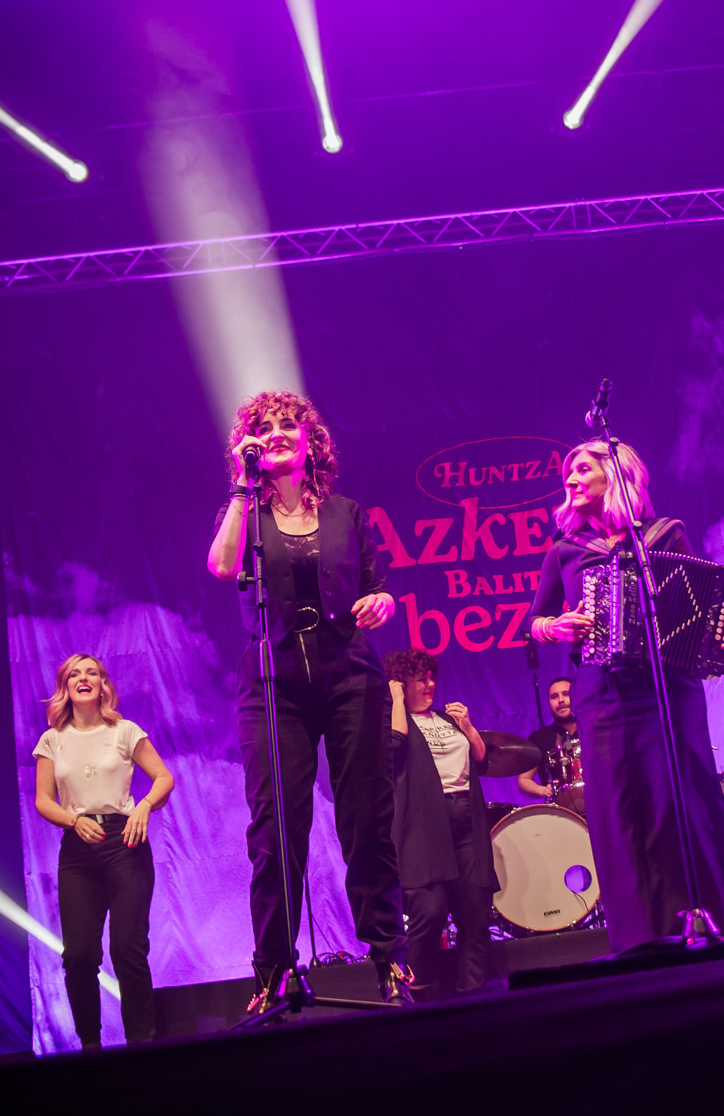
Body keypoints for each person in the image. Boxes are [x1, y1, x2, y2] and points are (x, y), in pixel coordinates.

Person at [206, 390, 411, 1009]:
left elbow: (378, 588)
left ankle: (389, 959)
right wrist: (242, 489)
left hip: (350, 675)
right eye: (263, 426)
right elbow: (222, 567)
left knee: (366, 822)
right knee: (275, 830)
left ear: (309, 440)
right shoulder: (245, 513)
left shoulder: (348, 513)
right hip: (273, 682)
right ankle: (272, 970)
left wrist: (381, 603)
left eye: (287, 424)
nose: (275, 432)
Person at [526, 438, 724, 949]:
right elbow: (533, 621)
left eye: (582, 468)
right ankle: (641, 938)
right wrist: (554, 627)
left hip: (669, 688)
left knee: (687, 799)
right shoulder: (565, 550)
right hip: (604, 695)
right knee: (622, 810)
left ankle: (718, 922)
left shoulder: (665, 535)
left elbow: (706, 608)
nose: (571, 479)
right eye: (567, 473)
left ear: (617, 473)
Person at [31, 653, 175, 1049]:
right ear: (65, 687)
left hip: (125, 842)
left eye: (91, 673)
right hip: (78, 849)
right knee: (79, 955)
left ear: (102, 685)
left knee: (128, 948)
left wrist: (145, 806)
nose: (83, 678)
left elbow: (164, 777)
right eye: (74, 674)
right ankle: (90, 1048)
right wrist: (72, 820)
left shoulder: (124, 731)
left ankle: (141, 1043)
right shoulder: (52, 740)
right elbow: (43, 800)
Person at [385, 649, 498, 1001]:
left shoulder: (447, 720)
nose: (430, 685)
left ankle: (474, 998)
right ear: (402, 684)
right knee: (429, 912)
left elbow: (481, 759)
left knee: (475, 915)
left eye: (432, 677)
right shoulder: (395, 721)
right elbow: (394, 748)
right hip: (424, 826)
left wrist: (468, 727)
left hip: (466, 822)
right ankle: (420, 996)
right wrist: (396, 700)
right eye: (420, 679)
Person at [521, 675, 584, 812]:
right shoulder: (539, 738)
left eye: (566, 694)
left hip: (600, 806)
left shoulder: (593, 731)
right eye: (554, 697)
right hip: (560, 813)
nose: (561, 700)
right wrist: (542, 790)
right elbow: (523, 780)